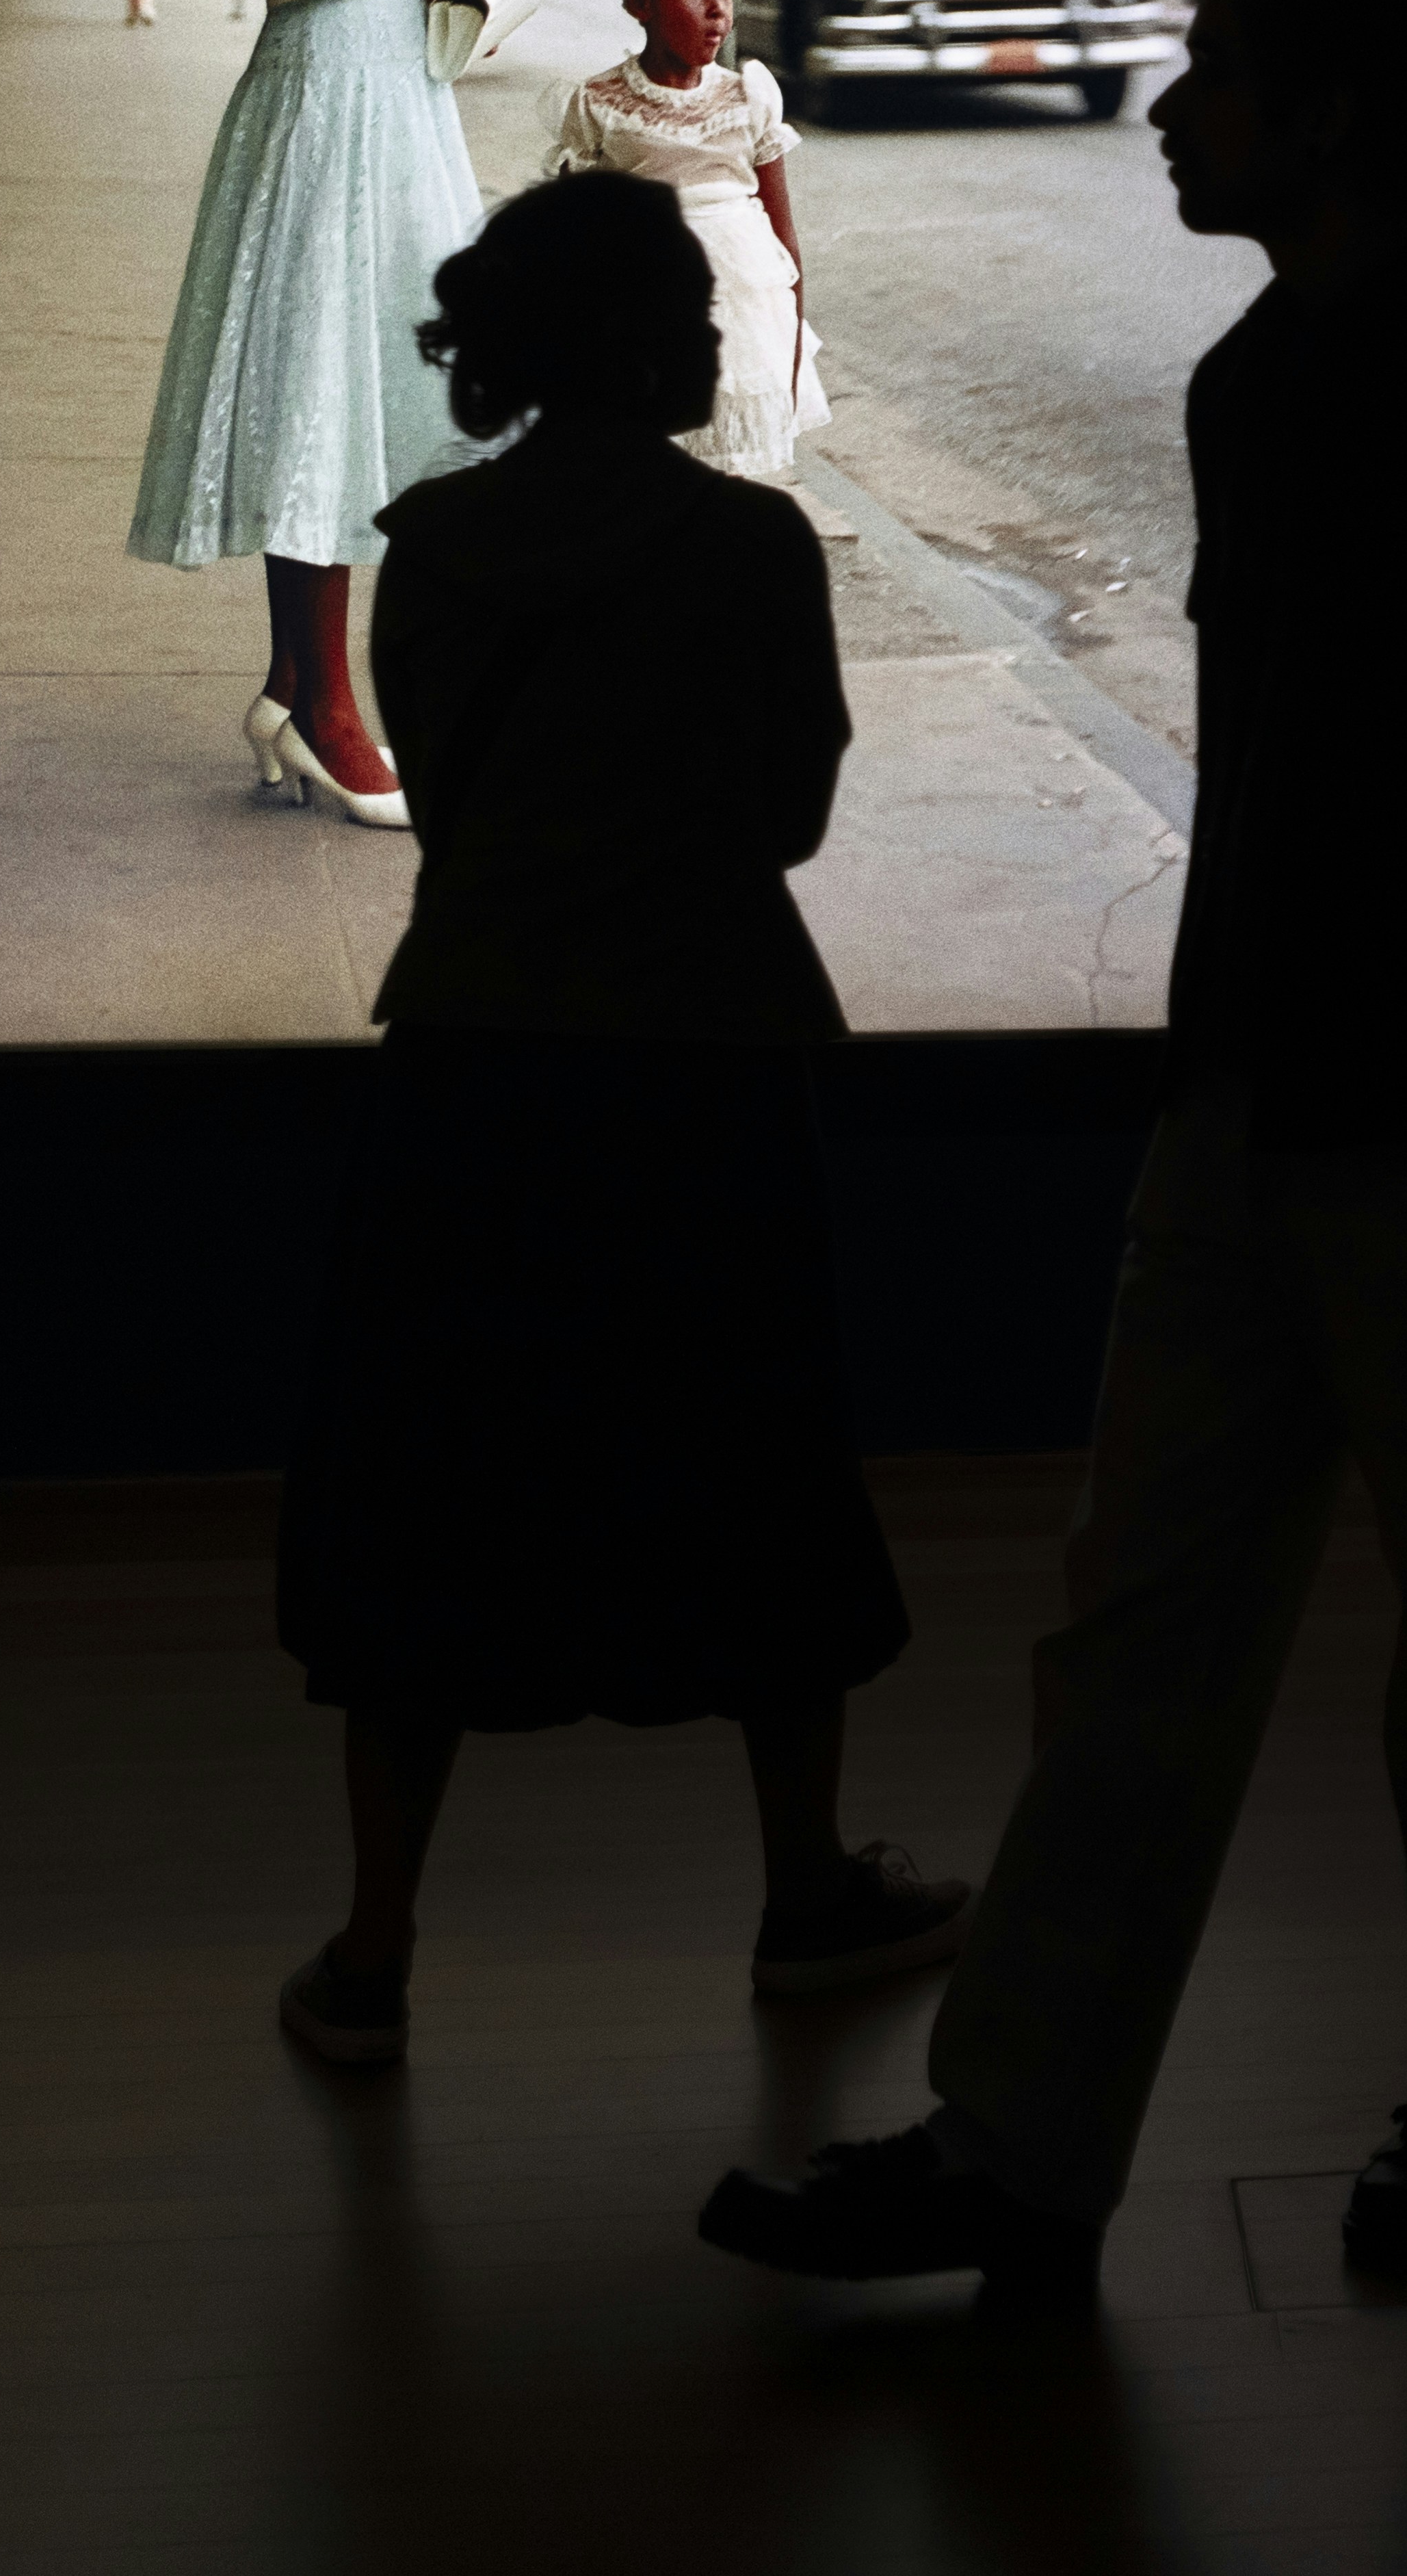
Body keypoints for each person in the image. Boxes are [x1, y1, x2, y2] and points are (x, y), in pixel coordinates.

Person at [700, 0, 1407, 2308]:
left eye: (1213, 65)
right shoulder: (1314, 379)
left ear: (1318, 112)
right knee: (1172, 1633)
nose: (1166, 101)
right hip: (1278, 1108)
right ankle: (1053, 2136)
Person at [268, 168, 965, 2070]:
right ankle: (806, 1887)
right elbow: (791, 821)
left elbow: (445, 795)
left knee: (432, 1498)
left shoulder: (437, 549)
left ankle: (375, 1948)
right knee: (757, 1470)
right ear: (670, 338)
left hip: (477, 1052)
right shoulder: (752, 554)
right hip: (703, 1049)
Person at [125, 0, 503, 831]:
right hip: (324, 112)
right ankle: (329, 708)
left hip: (378, 103)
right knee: (321, 383)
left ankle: (297, 687)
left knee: (351, 376)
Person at [549, 0, 860, 540]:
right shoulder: (598, 105)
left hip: (743, 322)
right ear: (639, 3)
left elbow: (783, 235)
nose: (718, 10)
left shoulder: (748, 97)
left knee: (725, 486)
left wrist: (793, 347)